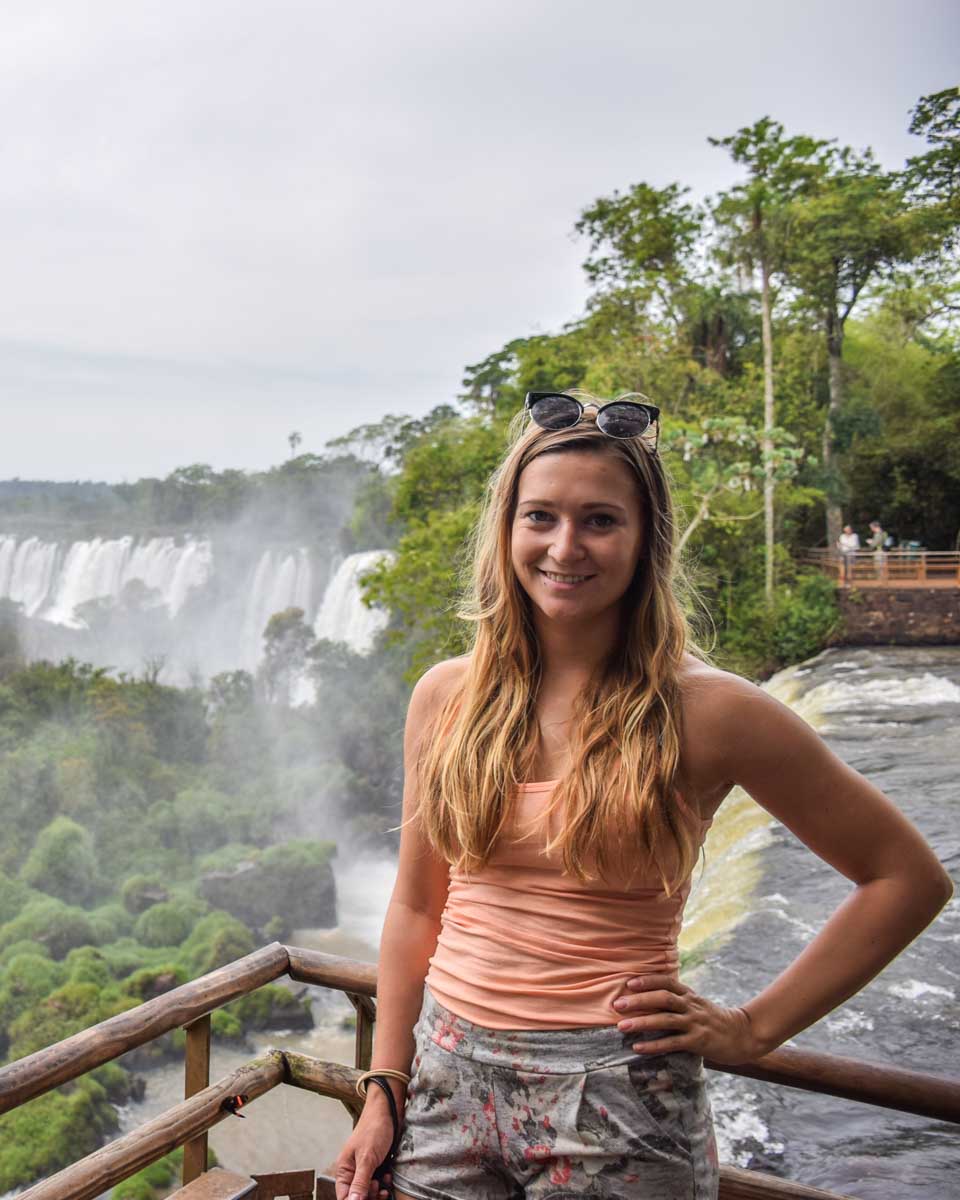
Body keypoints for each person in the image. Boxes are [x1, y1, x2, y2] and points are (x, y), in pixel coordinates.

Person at [334, 390, 952, 1200]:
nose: (565, 546)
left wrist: (753, 1029)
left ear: (644, 538)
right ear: (506, 529)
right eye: (540, 517)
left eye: (600, 520)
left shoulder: (712, 711)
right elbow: (418, 907)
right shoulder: (447, 697)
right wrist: (384, 1086)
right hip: (446, 1086)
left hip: (615, 1099)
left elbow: (906, 878)